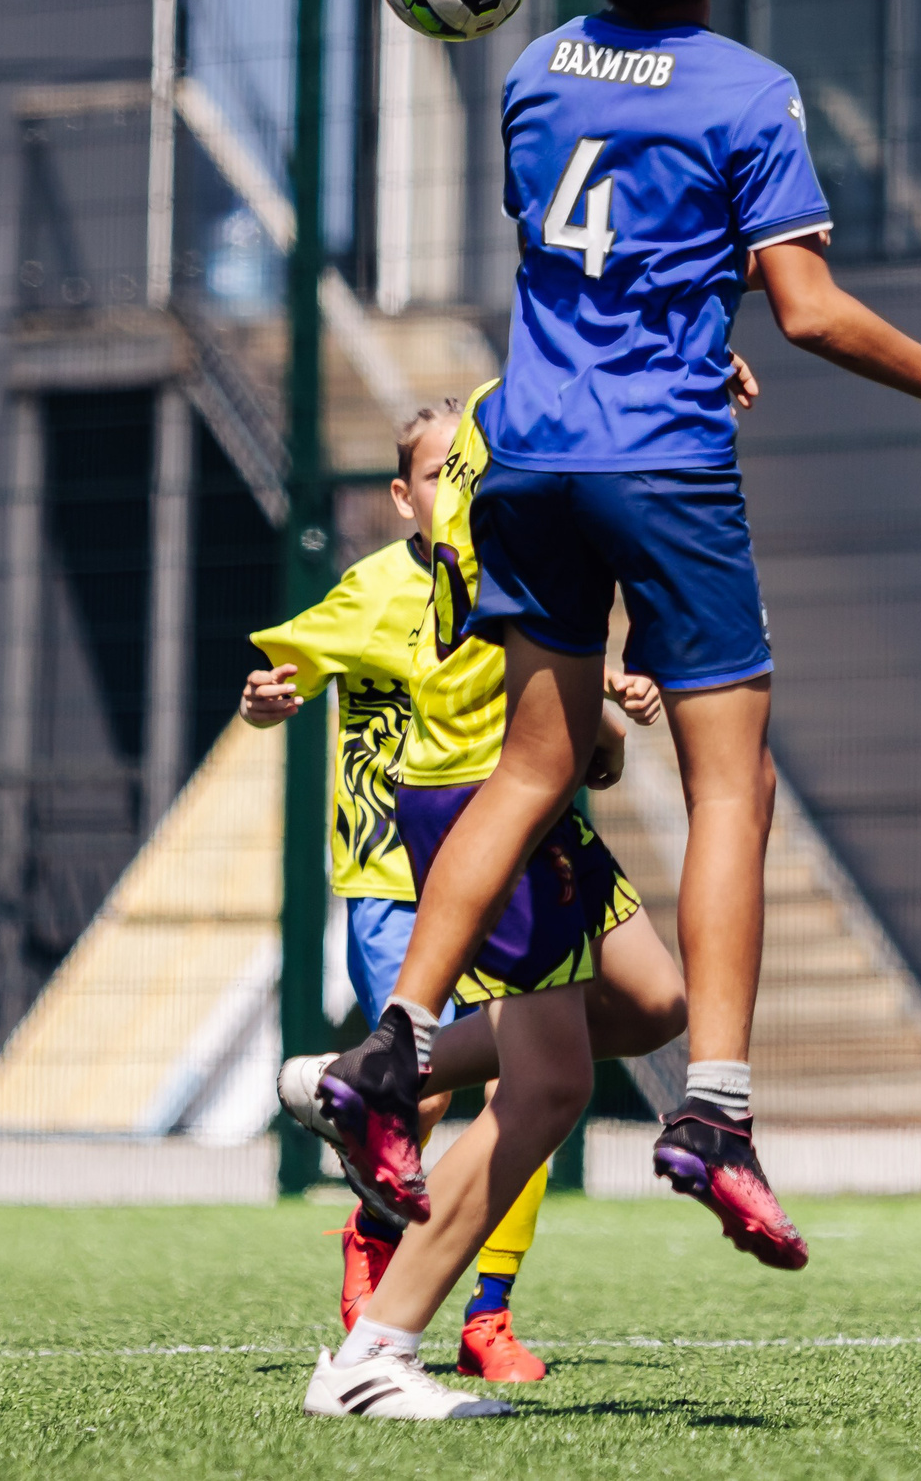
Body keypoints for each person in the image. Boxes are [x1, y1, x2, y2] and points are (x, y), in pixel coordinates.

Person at [319, 0, 921, 1273]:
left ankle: (392, 1046)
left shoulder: (535, 71)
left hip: (528, 454)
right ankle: (715, 1108)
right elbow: (812, 307)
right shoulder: (749, 92)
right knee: (733, 783)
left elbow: (583, 263)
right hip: (661, 464)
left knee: (533, 768)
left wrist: (689, 327)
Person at [255, 398, 681, 1400]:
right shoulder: (472, 531)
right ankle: (422, 1323)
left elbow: (553, 700)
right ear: (407, 495)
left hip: (534, 820)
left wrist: (607, 723)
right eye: (439, 472)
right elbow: (307, 667)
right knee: (532, 1083)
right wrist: (269, 693)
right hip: (438, 842)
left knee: (652, 1005)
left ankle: (356, 1082)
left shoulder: (520, 507)